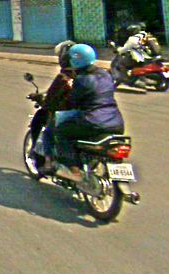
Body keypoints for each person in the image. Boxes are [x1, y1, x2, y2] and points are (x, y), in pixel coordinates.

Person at [52, 44, 125, 183]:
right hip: (116, 122)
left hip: (93, 122)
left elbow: (73, 102)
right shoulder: (105, 74)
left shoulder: (82, 79)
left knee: (61, 131)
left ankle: (74, 171)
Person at [29, 40, 76, 175]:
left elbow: (50, 100)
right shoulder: (93, 75)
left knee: (46, 130)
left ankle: (47, 162)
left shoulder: (64, 77)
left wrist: (39, 98)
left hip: (68, 115)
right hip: (93, 114)